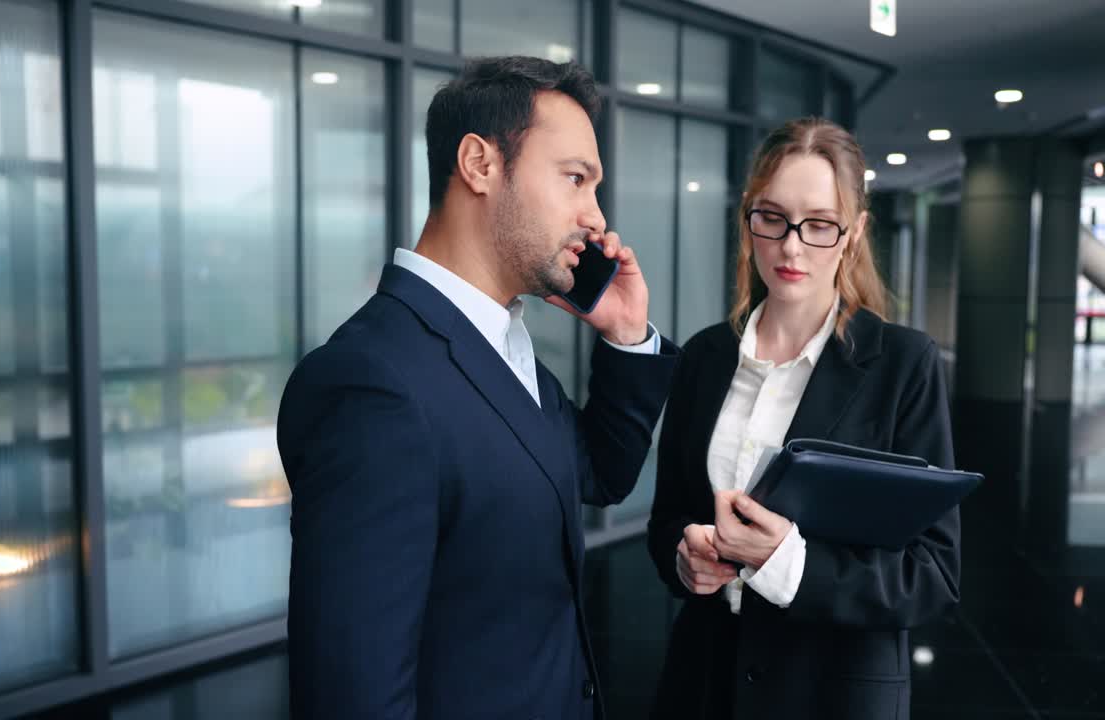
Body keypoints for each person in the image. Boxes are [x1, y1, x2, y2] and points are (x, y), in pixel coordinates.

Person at [277, 56, 679, 719]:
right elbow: (353, 697)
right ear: (480, 163)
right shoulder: (371, 385)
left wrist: (626, 333)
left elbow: (597, 476)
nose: (596, 217)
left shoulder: (504, 342)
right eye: (576, 179)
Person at [646, 118, 960, 720]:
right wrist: (683, 557)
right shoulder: (706, 357)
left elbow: (933, 574)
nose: (792, 246)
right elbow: (669, 518)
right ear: (749, 220)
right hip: (705, 678)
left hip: (831, 690)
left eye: (819, 225)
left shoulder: (902, 364)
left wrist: (786, 561)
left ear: (854, 232)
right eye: (774, 218)